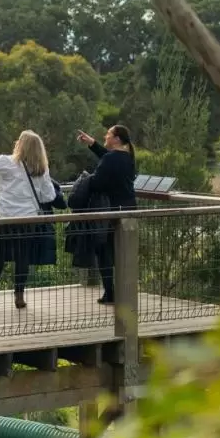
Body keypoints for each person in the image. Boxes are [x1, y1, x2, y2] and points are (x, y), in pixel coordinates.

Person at [0, 129, 59, 309]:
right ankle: (19, 295)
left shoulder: (8, 162)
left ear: (22, 145)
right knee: (22, 257)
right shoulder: (41, 168)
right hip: (27, 221)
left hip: (5, 219)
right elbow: (48, 196)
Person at [74, 124, 137, 304]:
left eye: (108, 134)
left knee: (104, 251)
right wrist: (92, 143)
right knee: (122, 253)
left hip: (113, 211)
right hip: (129, 208)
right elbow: (108, 158)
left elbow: (98, 183)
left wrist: (86, 180)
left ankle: (110, 292)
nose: (105, 136)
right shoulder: (127, 157)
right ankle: (126, 292)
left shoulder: (111, 159)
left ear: (117, 139)